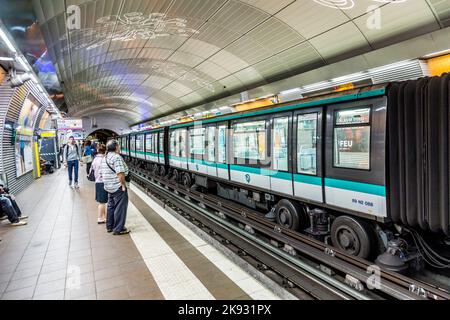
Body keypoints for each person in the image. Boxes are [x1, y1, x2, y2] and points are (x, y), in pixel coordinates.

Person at [101, 139, 130, 235]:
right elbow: (120, 173)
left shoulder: (105, 157)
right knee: (120, 208)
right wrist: (123, 185)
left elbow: (101, 173)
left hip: (108, 186)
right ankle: (119, 229)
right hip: (117, 186)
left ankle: (110, 226)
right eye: (119, 146)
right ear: (116, 147)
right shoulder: (116, 157)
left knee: (111, 206)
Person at [90, 144, 107, 224]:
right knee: (103, 202)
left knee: (102, 201)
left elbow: (91, 171)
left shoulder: (95, 159)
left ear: (97, 150)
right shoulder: (104, 160)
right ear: (105, 151)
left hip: (97, 182)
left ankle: (104, 217)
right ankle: (100, 218)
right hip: (102, 182)